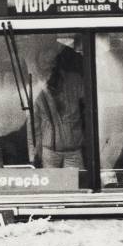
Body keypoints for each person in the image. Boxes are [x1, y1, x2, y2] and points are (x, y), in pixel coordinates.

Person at [32, 41, 85, 169]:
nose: (47, 67)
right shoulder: (36, 87)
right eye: (44, 63)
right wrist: (33, 152)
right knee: (53, 187)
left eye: (50, 63)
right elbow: (34, 124)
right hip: (49, 151)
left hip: (73, 149)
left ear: (56, 63)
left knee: (76, 186)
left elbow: (88, 110)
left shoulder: (75, 81)